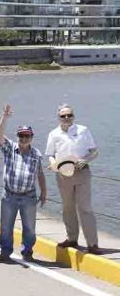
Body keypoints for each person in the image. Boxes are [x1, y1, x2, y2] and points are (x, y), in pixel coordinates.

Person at [44, 103, 100, 254]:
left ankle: (93, 243)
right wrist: (53, 164)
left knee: (85, 208)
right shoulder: (53, 134)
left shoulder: (83, 130)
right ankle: (72, 239)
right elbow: (50, 154)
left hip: (82, 172)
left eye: (69, 115)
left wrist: (86, 160)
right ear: (58, 117)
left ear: (74, 116)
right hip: (63, 174)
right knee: (68, 208)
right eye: (63, 116)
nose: (67, 118)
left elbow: (94, 151)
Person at [0, 104, 47, 262]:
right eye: (21, 136)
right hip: (9, 195)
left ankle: (27, 251)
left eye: (27, 136)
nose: (23, 138)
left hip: (29, 197)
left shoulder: (36, 154)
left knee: (30, 228)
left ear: (31, 137)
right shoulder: (9, 148)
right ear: (17, 136)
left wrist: (44, 192)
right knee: (6, 226)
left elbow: (40, 173)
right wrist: (5, 117)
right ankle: (5, 251)